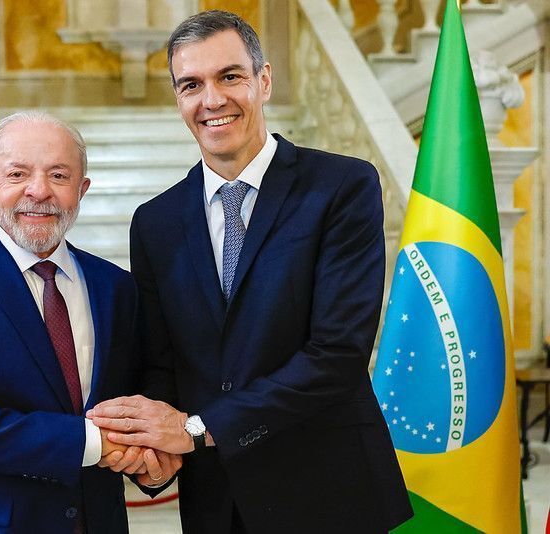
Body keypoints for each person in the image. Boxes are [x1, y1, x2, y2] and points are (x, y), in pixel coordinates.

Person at [88, 10, 414, 533]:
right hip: (217, 502)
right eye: (191, 85)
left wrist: (196, 430)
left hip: (330, 493)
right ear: (178, 99)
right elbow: (163, 364)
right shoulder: (155, 222)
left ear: (263, 81)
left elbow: (337, 353)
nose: (212, 99)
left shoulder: (342, 187)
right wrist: (153, 453)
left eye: (229, 76)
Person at [0, 111, 177, 533]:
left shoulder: (116, 287)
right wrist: (97, 443)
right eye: (17, 174)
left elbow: (139, 395)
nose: (39, 191)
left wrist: (152, 460)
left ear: (81, 190)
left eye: (59, 175)